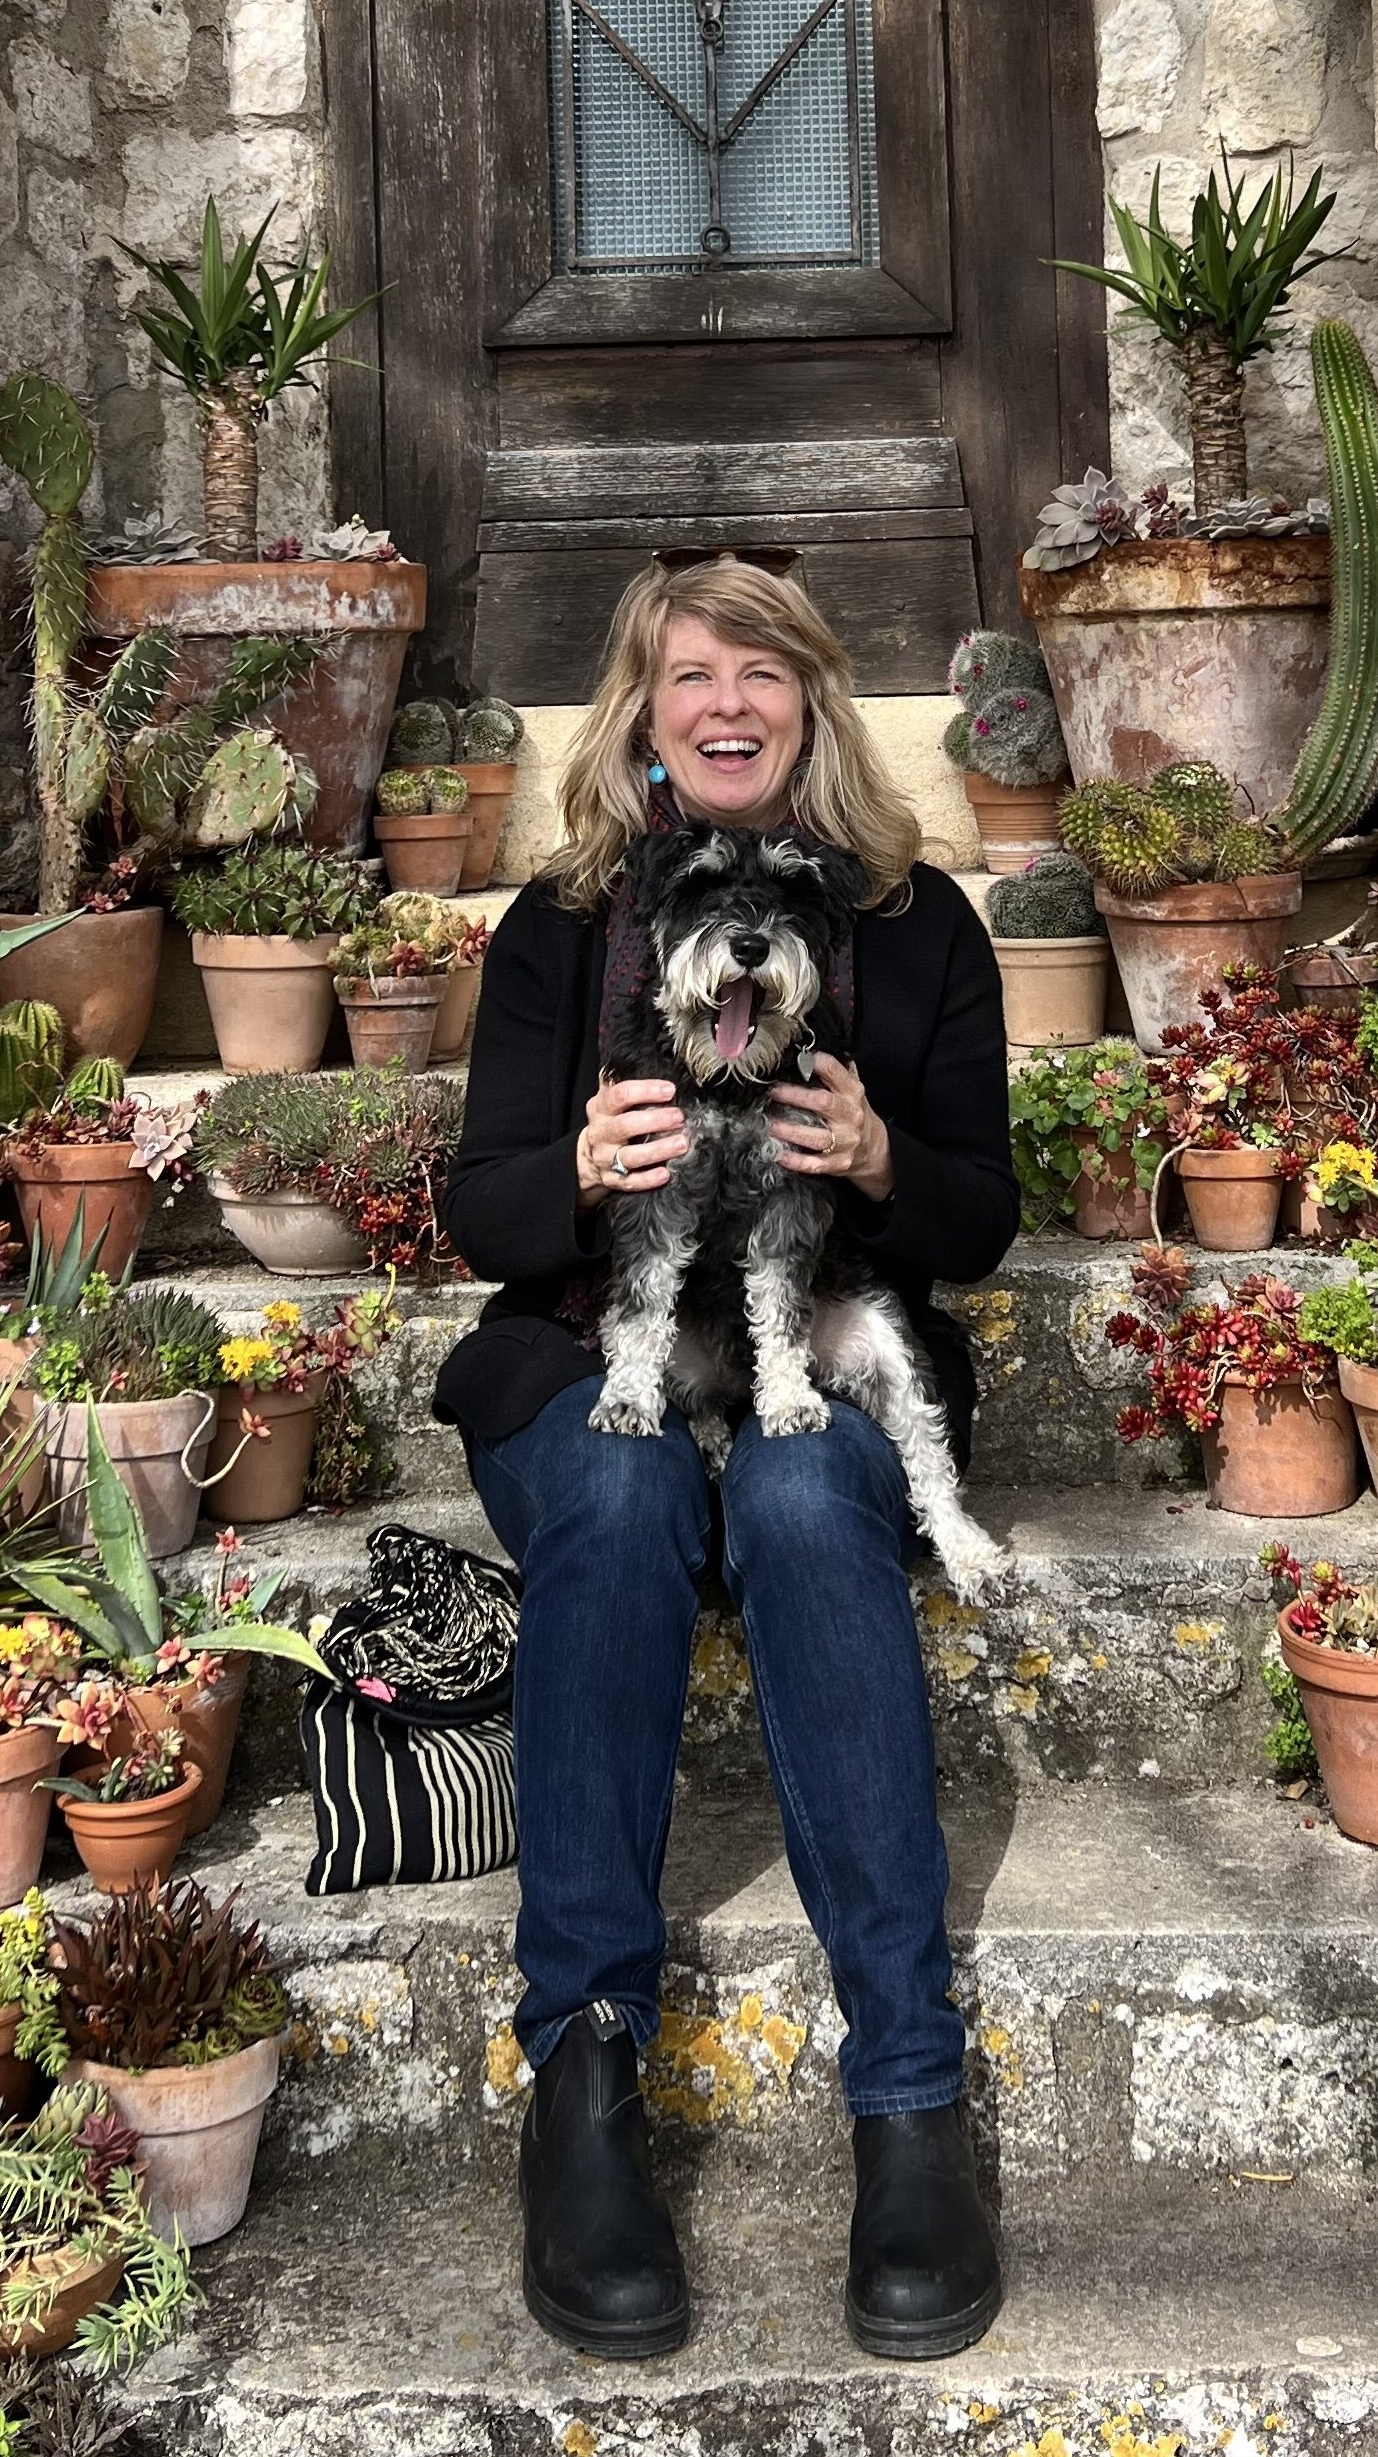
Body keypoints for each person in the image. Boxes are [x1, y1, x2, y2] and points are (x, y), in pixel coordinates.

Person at [436, 556, 1020, 2361]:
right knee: (614, 1494)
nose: (727, 703)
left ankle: (907, 2088)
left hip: (810, 1340)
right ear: (643, 709)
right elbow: (478, 1210)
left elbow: (981, 1219)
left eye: (760, 670)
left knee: (792, 1490)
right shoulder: (555, 925)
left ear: (812, 701)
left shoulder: (922, 927)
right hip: (591, 1351)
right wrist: (580, 1173)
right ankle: (583, 2076)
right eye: (690, 672)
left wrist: (878, 1162)